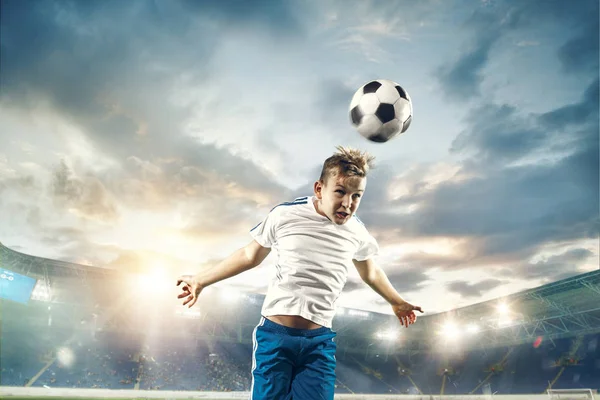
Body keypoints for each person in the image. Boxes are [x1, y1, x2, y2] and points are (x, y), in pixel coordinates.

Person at [176, 146, 423, 400]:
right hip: (276, 337)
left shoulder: (357, 232)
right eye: (340, 192)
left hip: (319, 343)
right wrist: (200, 280)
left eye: (356, 196)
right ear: (319, 189)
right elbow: (249, 256)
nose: (348, 203)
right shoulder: (285, 215)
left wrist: (396, 301)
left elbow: (370, 272)